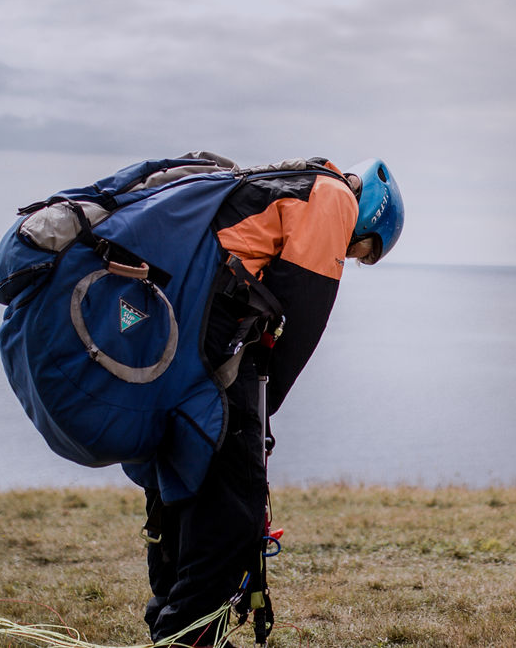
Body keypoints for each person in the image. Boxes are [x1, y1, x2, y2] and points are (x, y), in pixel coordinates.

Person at [138, 155, 404, 647]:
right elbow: (301, 321)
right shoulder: (332, 199)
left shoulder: (285, 183)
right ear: (371, 215)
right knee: (234, 511)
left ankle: (172, 625)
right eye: (364, 250)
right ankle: (187, 638)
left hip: (172, 342)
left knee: (180, 492)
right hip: (214, 357)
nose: (353, 258)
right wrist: (259, 415)